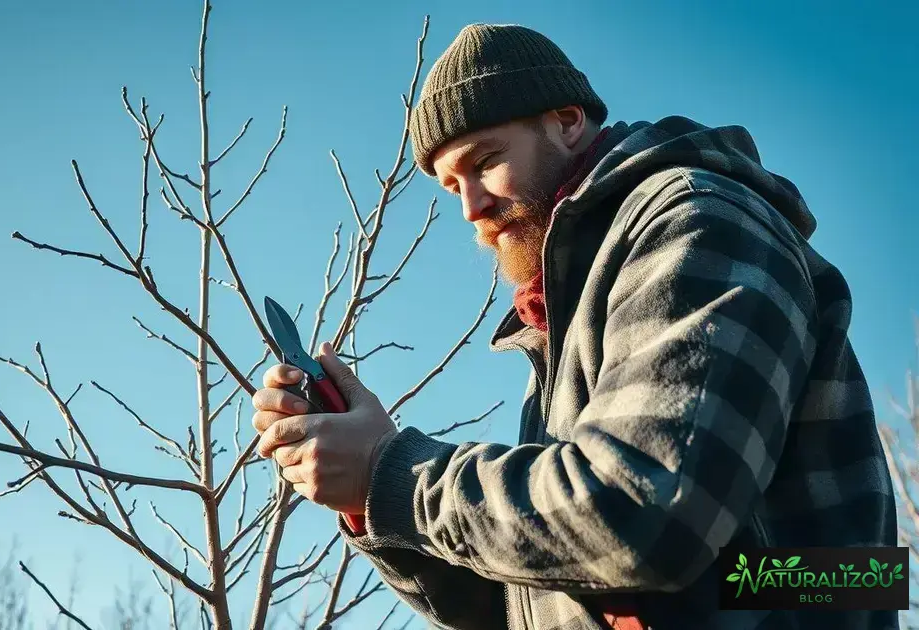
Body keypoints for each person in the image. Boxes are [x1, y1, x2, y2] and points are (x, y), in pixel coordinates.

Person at [250, 22, 899, 630]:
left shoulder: (697, 218)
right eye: (451, 187)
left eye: (484, 161)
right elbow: (532, 602)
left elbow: (649, 514)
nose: (471, 206)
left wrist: (394, 473)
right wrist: (370, 498)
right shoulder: (568, 318)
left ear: (566, 123)